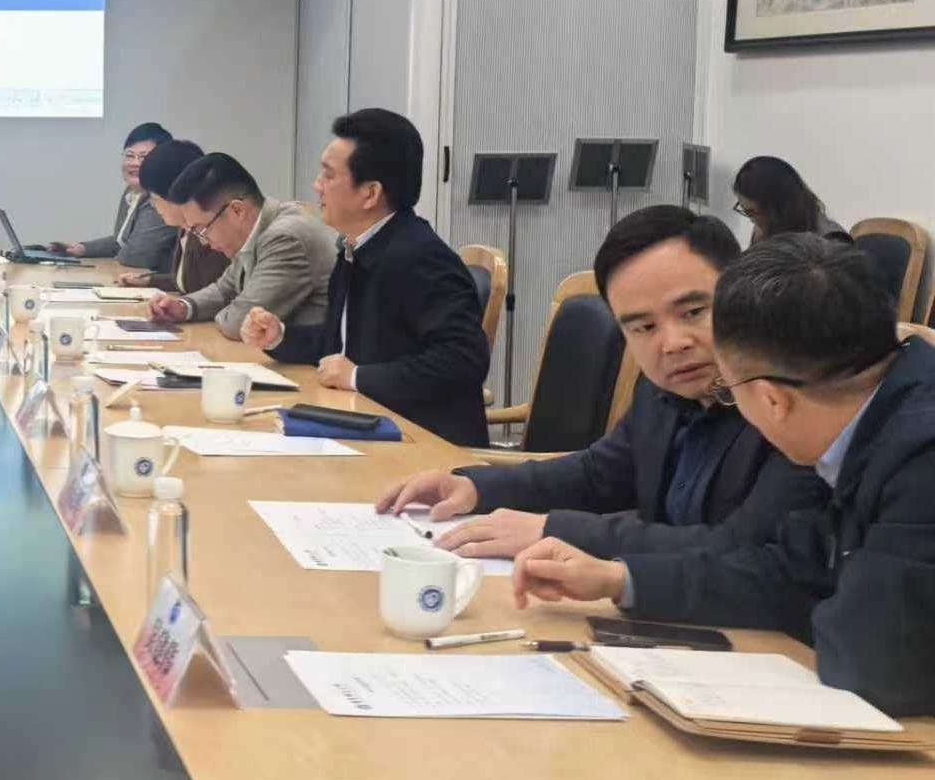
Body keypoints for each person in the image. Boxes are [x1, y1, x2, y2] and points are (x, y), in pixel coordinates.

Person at [512, 235, 935, 716]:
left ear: (772, 399)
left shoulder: (920, 456)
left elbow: (875, 664)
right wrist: (618, 578)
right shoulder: (875, 412)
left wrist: (815, 600)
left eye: (731, 391)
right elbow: (787, 573)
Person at [374, 206, 825, 559]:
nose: (672, 343)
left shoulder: (793, 401)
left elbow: (743, 550)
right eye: (643, 327)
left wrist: (556, 530)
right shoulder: (664, 390)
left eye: (693, 312)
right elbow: (599, 474)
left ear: (740, 293)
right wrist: (478, 487)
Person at [240, 109, 489, 446]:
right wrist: (280, 336)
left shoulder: (421, 257)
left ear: (370, 193)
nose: (317, 185)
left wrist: (358, 376)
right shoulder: (357, 247)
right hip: (364, 422)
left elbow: (462, 361)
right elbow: (341, 344)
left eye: (328, 175)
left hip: (421, 444)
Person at [145, 152, 334, 340]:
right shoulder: (256, 230)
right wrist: (183, 307)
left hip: (309, 357)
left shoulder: (285, 238)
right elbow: (223, 290)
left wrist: (227, 313)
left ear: (237, 210)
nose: (203, 241)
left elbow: (240, 323)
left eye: (203, 229)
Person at [44, 123, 178, 270]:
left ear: (163, 160)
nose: (135, 163)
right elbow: (123, 241)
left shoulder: (162, 197)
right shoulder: (132, 192)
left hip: (160, 281)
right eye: (129, 155)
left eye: (144, 157)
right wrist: (83, 248)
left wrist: (120, 254)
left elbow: (137, 255)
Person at [114, 140, 230, 296]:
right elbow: (189, 279)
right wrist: (150, 280)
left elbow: (218, 288)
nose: (154, 207)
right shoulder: (186, 227)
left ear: (175, 194)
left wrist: (185, 306)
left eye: (154, 199)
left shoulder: (210, 229)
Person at [731, 155, 849, 243]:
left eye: (751, 212)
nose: (752, 220)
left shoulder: (830, 240)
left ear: (776, 209)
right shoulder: (764, 230)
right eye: (745, 211)